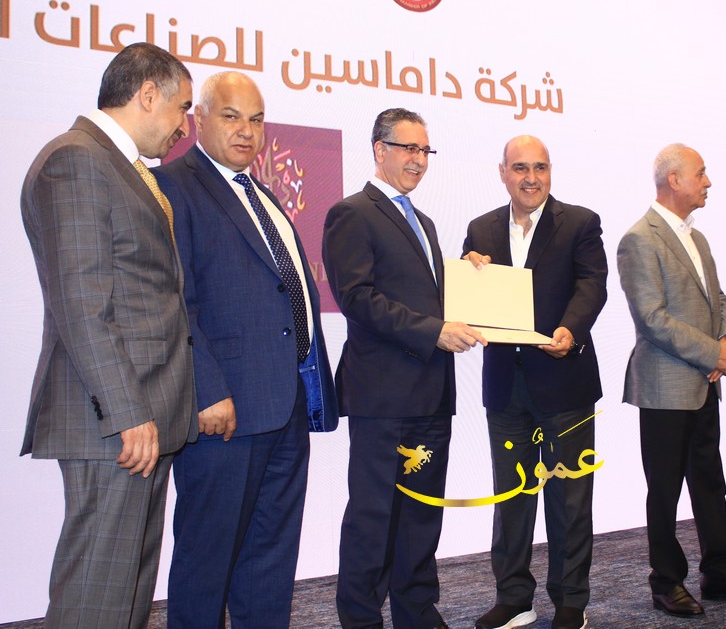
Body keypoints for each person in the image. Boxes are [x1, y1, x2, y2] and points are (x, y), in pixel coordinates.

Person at [20, 42, 197, 628]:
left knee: (127, 597)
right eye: (182, 108)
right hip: (116, 424)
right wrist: (127, 413)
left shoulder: (119, 167)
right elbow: (81, 304)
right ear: (147, 94)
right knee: (96, 600)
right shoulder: (75, 159)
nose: (184, 126)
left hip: (142, 419)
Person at [154, 72, 339, 627]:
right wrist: (207, 389)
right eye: (231, 116)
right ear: (199, 119)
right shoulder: (172, 187)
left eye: (256, 120)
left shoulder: (262, 195)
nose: (246, 131)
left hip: (284, 408)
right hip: (224, 413)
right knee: (206, 560)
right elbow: (174, 302)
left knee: (270, 560)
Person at [323, 107, 485, 629]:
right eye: (408, 148)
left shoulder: (425, 222)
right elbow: (358, 298)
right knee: (374, 517)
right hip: (383, 396)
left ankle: (417, 613)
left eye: (424, 150)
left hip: (431, 392)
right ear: (380, 150)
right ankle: (361, 619)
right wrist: (432, 331)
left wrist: (469, 275)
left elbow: (424, 295)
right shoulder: (352, 213)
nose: (418, 160)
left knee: (421, 514)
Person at [618, 144, 726, 619]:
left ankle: (720, 573)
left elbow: (717, 300)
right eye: (700, 174)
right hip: (665, 385)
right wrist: (713, 353)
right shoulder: (638, 238)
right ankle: (666, 582)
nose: (708, 182)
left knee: (710, 483)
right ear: (673, 180)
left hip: (705, 381)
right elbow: (651, 319)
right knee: (664, 490)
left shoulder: (697, 238)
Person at [462, 135, 607, 629]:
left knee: (569, 499)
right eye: (520, 167)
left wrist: (571, 328)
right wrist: (469, 274)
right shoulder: (480, 229)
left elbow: (592, 284)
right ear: (503, 172)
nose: (531, 178)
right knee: (511, 498)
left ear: (550, 171)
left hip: (565, 380)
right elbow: (469, 300)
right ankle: (514, 598)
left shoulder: (580, 222)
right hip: (506, 386)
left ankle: (570, 602)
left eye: (540, 167)